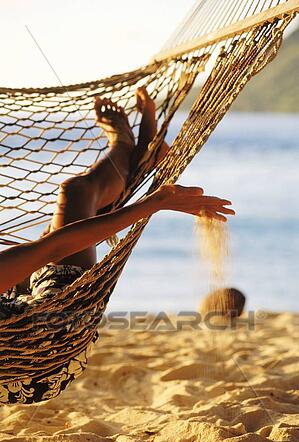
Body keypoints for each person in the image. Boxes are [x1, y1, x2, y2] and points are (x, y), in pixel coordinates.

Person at [0, 87, 234, 404]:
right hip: (51, 344)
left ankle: (139, 161)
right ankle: (126, 149)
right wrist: (154, 203)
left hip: (16, 361)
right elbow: (54, 250)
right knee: (75, 194)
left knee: (60, 229)